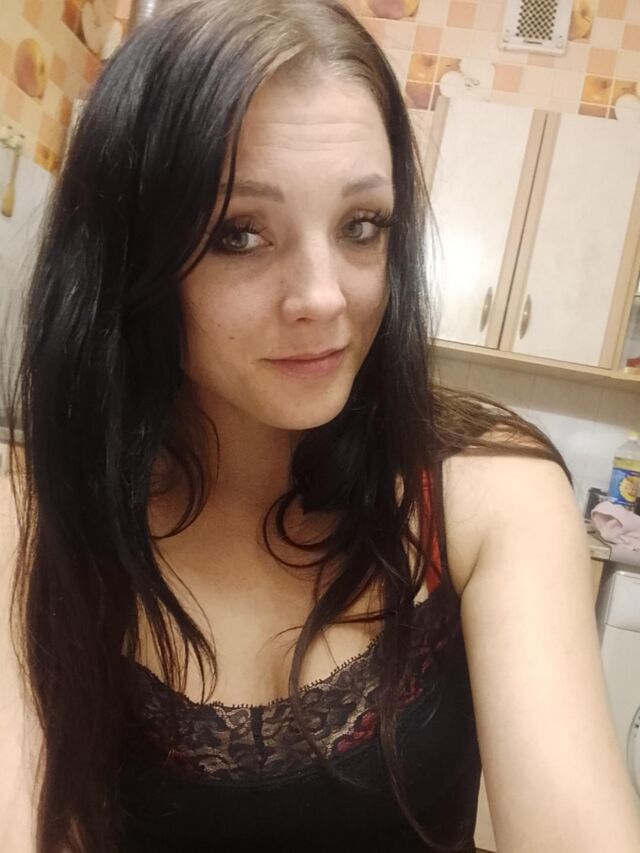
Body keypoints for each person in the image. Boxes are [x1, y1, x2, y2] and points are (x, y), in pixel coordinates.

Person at [1, 0, 639, 851]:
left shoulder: (489, 494)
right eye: (239, 233)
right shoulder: (34, 518)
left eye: (360, 226)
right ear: (129, 257)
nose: (325, 296)